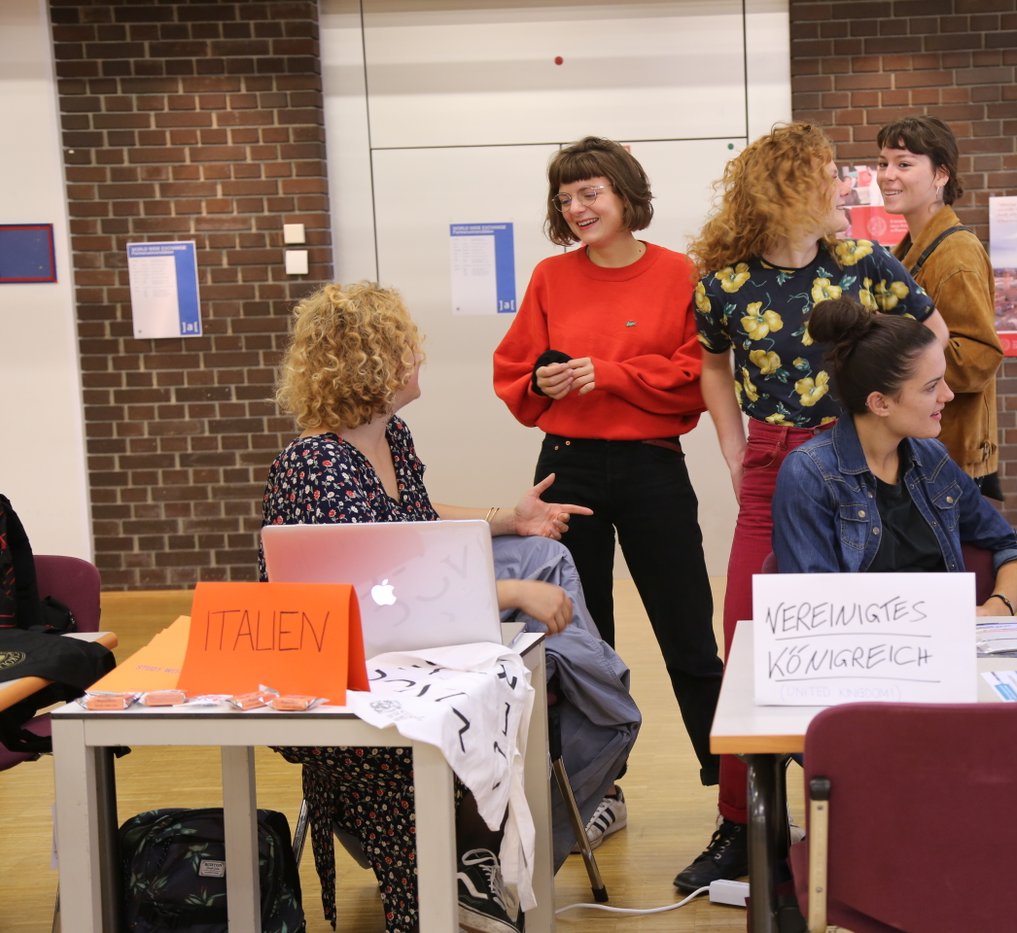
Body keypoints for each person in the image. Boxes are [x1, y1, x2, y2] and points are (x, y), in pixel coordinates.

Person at [261, 281, 640, 933]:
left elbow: (415, 518)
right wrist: (511, 594)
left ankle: (482, 858)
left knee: (591, 694)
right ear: (373, 362)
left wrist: (504, 517)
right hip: (359, 669)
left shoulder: (391, 436)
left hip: (412, 646)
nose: (419, 359)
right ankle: (482, 858)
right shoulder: (316, 464)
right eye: (409, 347)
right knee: (577, 691)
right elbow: (371, 595)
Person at [685, 122, 944, 892]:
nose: (846, 187)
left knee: (867, 631)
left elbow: (929, 329)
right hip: (771, 461)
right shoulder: (724, 283)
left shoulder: (862, 261)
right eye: (832, 175)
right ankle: (741, 822)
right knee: (747, 635)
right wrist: (734, 449)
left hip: (858, 460)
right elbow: (710, 362)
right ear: (789, 189)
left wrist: (904, 409)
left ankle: (872, 806)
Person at [493, 136, 724, 852]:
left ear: (625, 193)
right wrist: (543, 381)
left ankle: (736, 800)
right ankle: (598, 790)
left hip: (654, 466)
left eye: (589, 191)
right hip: (570, 467)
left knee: (689, 636)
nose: (576, 207)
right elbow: (513, 370)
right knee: (580, 642)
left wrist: (611, 375)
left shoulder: (680, 273)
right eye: (565, 198)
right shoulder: (550, 277)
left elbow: (698, 375)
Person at [771, 297, 1017, 598]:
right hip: (861, 643)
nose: (948, 395)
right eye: (931, 386)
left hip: (944, 638)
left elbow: (1010, 547)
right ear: (880, 403)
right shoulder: (810, 473)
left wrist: (996, 610)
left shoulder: (932, 460)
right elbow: (814, 605)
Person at [877, 115, 1005, 498]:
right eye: (882, 163)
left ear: (941, 175)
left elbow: (978, 358)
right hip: (923, 451)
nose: (887, 175)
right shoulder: (909, 250)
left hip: (950, 458)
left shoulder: (955, 253)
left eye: (903, 163)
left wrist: (887, 357)